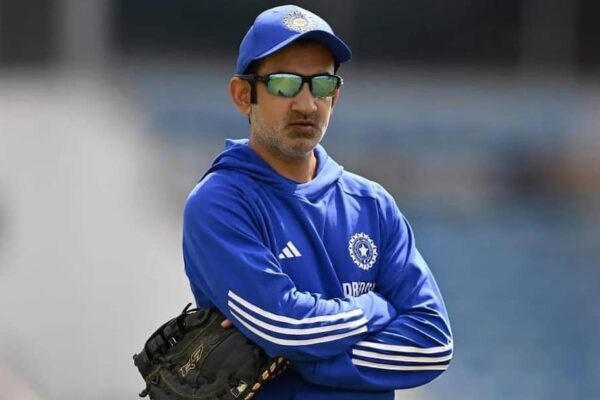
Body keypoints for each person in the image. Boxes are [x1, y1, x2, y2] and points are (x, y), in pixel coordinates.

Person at [182, 5, 452, 399]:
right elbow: (285, 328)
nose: (307, 104)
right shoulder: (219, 202)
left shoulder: (372, 204)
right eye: (285, 84)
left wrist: (300, 358)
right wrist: (376, 308)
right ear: (243, 95)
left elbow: (432, 344)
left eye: (321, 85)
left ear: (335, 95)